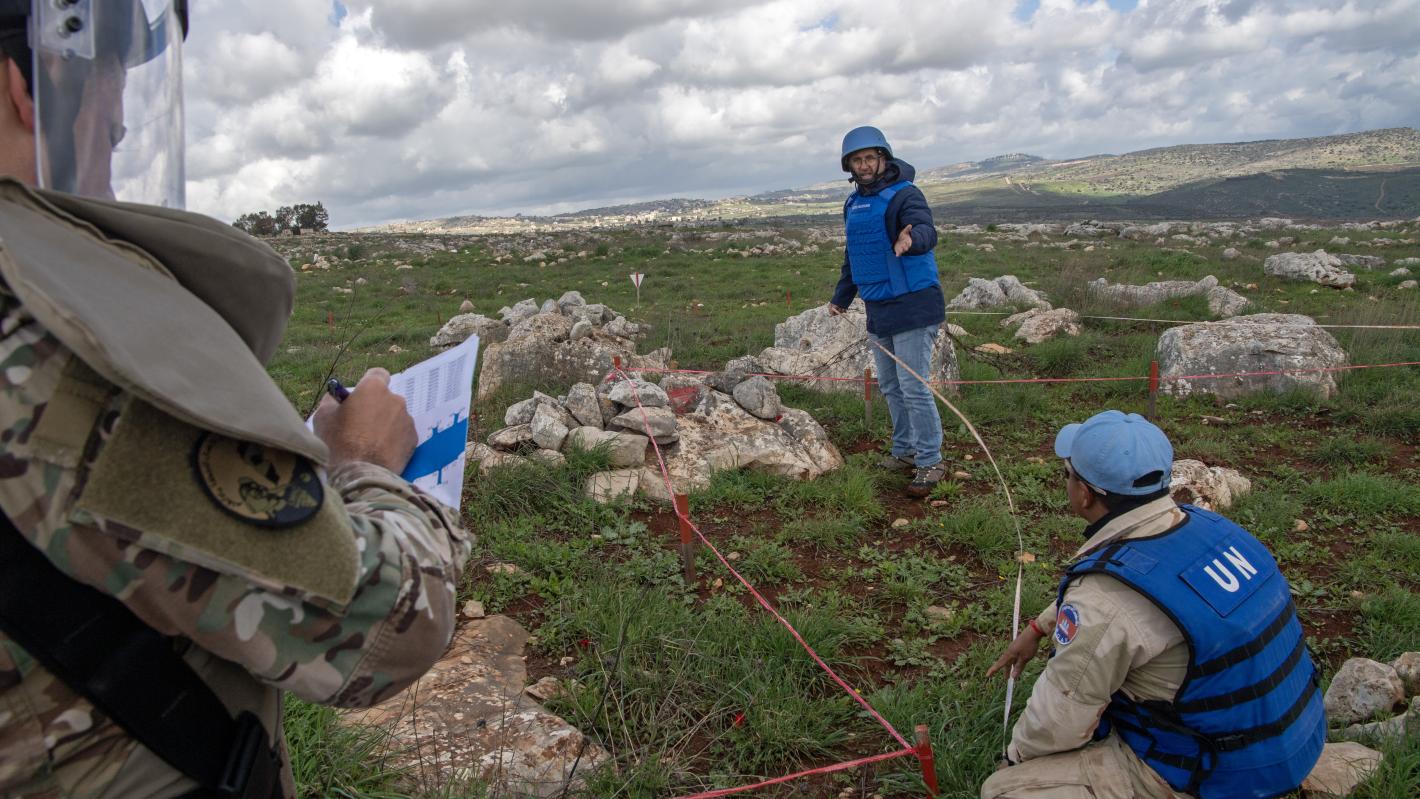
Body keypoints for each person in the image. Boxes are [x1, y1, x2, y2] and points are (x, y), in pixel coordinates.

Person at [0, 3, 470, 797]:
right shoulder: (51, 360)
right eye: (112, 136)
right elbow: (388, 622)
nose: (111, 176)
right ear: (31, 82)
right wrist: (366, 463)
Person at [982, 411, 1325, 799]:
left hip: (1225, 774)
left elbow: (1059, 719)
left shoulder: (1102, 600)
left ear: (1085, 493)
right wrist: (1040, 627)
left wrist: (1016, 760)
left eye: (1068, 474)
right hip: (1295, 736)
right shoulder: (1211, 528)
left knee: (1003, 791)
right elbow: (1143, 595)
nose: (1067, 483)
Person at [827, 125, 947, 498]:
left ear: (884, 158)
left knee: (913, 387)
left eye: (869, 158)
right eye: (856, 160)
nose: (863, 165)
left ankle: (931, 460)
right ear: (850, 165)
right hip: (878, 306)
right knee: (891, 386)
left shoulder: (905, 195)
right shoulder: (852, 204)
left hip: (913, 303)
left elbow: (926, 230)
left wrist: (911, 240)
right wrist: (841, 298)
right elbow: (855, 254)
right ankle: (905, 451)